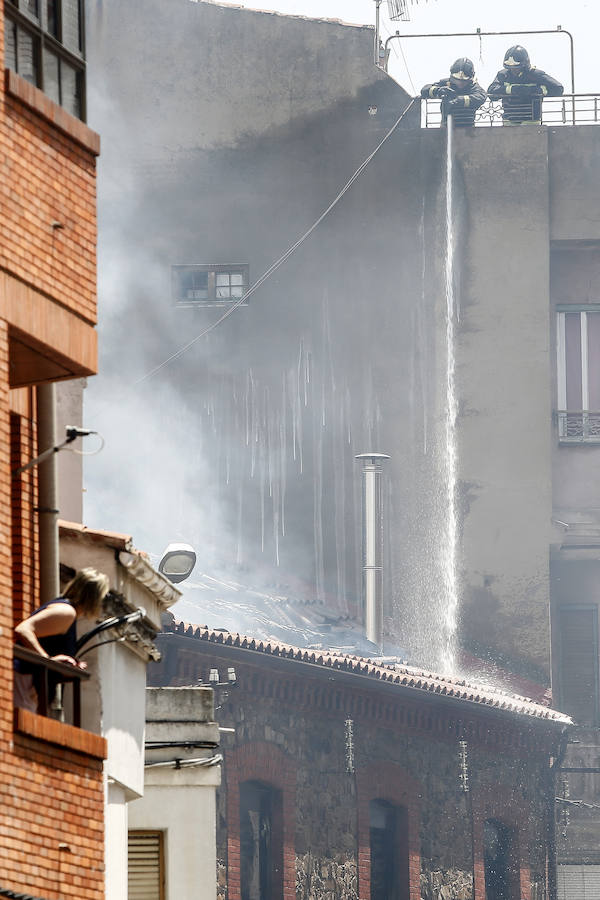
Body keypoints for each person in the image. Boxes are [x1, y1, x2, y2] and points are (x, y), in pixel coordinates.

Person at [14, 567, 109, 713]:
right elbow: (23, 630)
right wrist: (47, 660)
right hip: (22, 679)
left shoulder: (68, 613)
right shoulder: (66, 612)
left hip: (28, 684)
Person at [487, 45, 563, 124]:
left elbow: (558, 88)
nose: (513, 70)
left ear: (524, 65)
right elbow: (491, 91)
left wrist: (540, 90)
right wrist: (512, 89)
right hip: (509, 121)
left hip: (531, 121)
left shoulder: (535, 75)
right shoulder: (503, 75)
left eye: (516, 67)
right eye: (510, 67)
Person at [421, 58, 486, 127]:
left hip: (468, 128)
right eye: (457, 80)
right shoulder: (447, 83)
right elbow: (424, 90)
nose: (460, 83)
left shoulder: (473, 86)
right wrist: (437, 91)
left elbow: (481, 96)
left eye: (463, 81)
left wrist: (459, 100)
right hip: (446, 126)